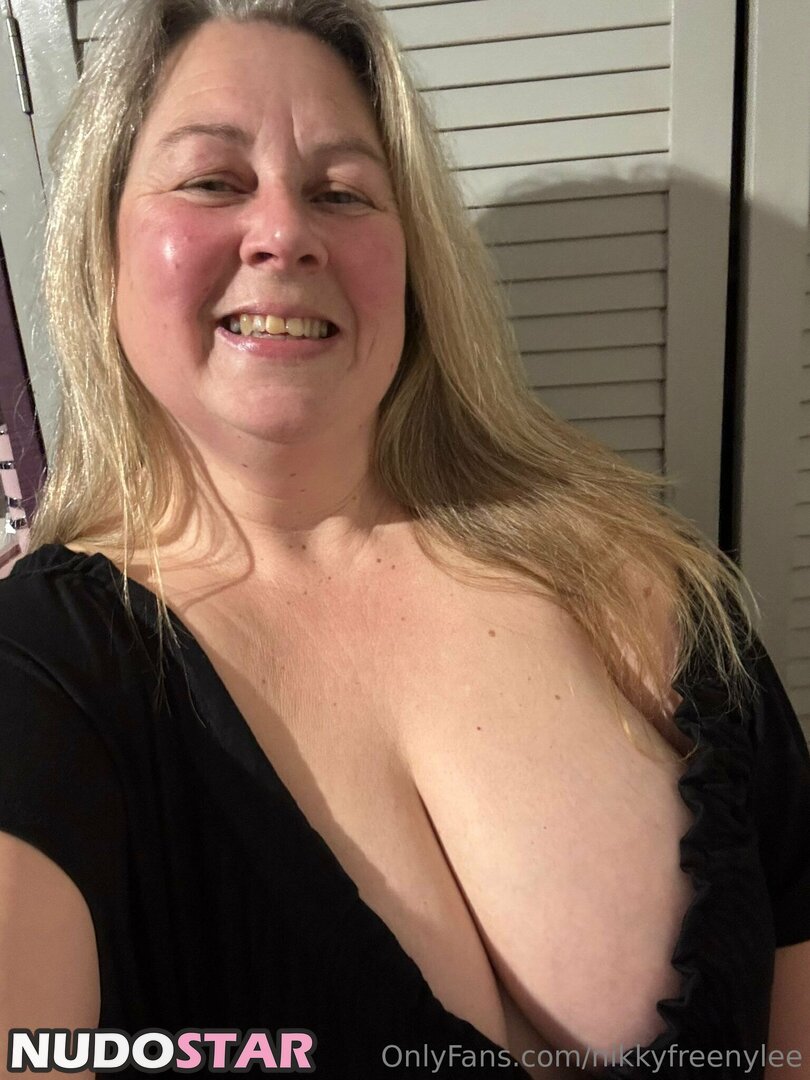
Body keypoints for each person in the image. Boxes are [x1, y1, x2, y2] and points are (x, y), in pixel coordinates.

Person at [0, 0, 808, 1076]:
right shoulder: (41, 667)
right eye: (212, 181)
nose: (285, 232)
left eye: (343, 192)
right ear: (101, 248)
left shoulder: (638, 570)